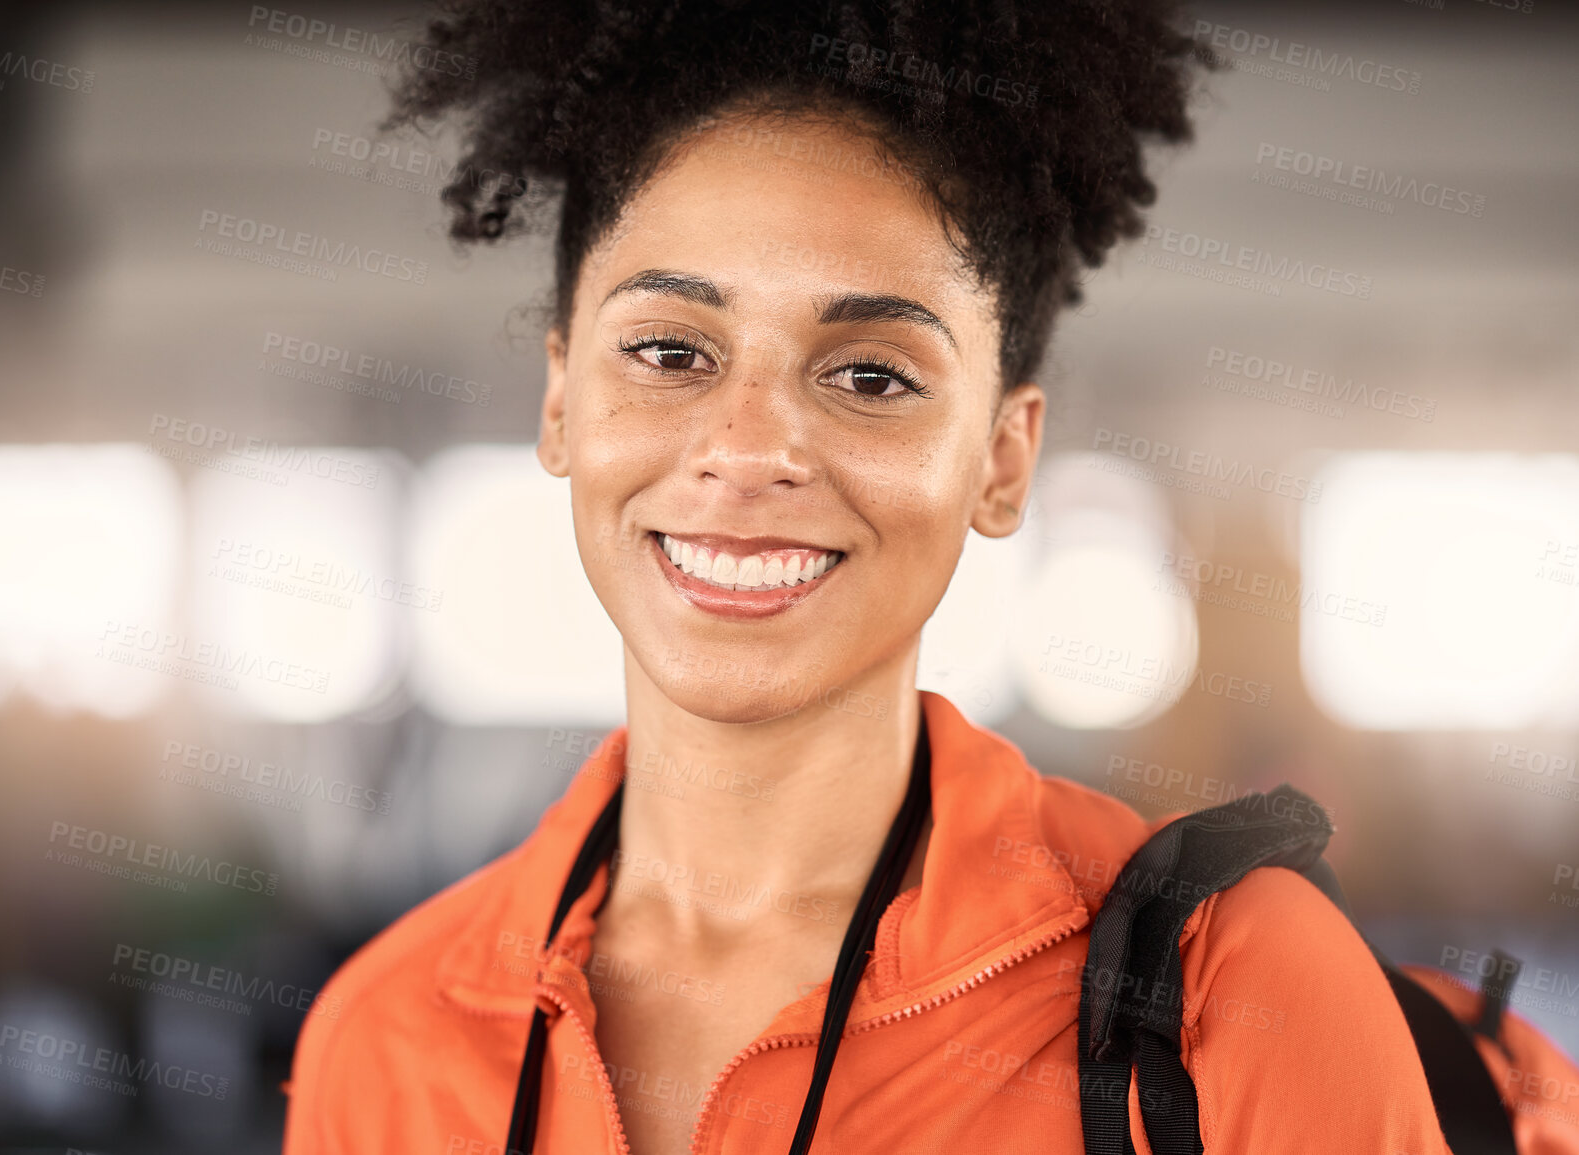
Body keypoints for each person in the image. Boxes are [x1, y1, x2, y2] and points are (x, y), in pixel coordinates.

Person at [281, 2, 1575, 1152]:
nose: (748, 450)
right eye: (672, 352)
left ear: (1004, 463)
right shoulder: (386, 1033)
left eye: (870, 377)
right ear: (563, 401)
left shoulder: (1234, 996)